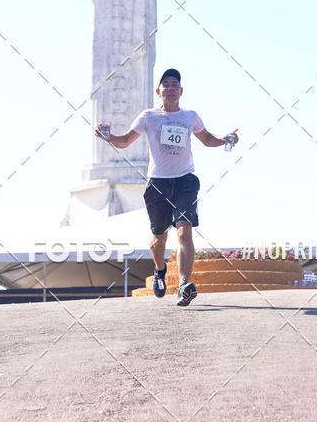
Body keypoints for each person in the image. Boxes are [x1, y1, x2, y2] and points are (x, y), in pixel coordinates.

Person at [95, 68, 238, 306]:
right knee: (158, 240)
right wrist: (108, 136)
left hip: (185, 181)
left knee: (184, 230)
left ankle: (184, 285)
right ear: (158, 91)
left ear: (181, 91)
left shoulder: (190, 116)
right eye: (166, 84)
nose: (170, 88)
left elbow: (207, 139)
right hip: (158, 184)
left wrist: (226, 139)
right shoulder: (148, 117)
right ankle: (160, 270)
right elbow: (125, 141)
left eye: (175, 84)